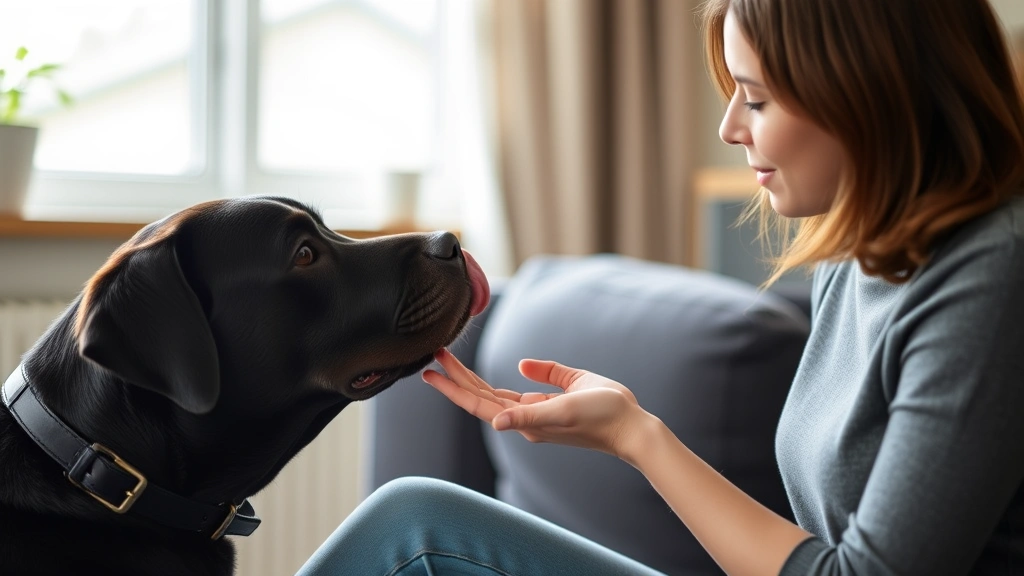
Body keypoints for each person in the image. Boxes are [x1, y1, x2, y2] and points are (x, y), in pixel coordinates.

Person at [297, 0, 1024, 574]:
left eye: (758, 98)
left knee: (412, 537)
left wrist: (638, 438)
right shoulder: (860, 251)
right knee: (415, 523)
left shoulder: (991, 278)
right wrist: (628, 429)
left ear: (870, 94)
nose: (728, 127)